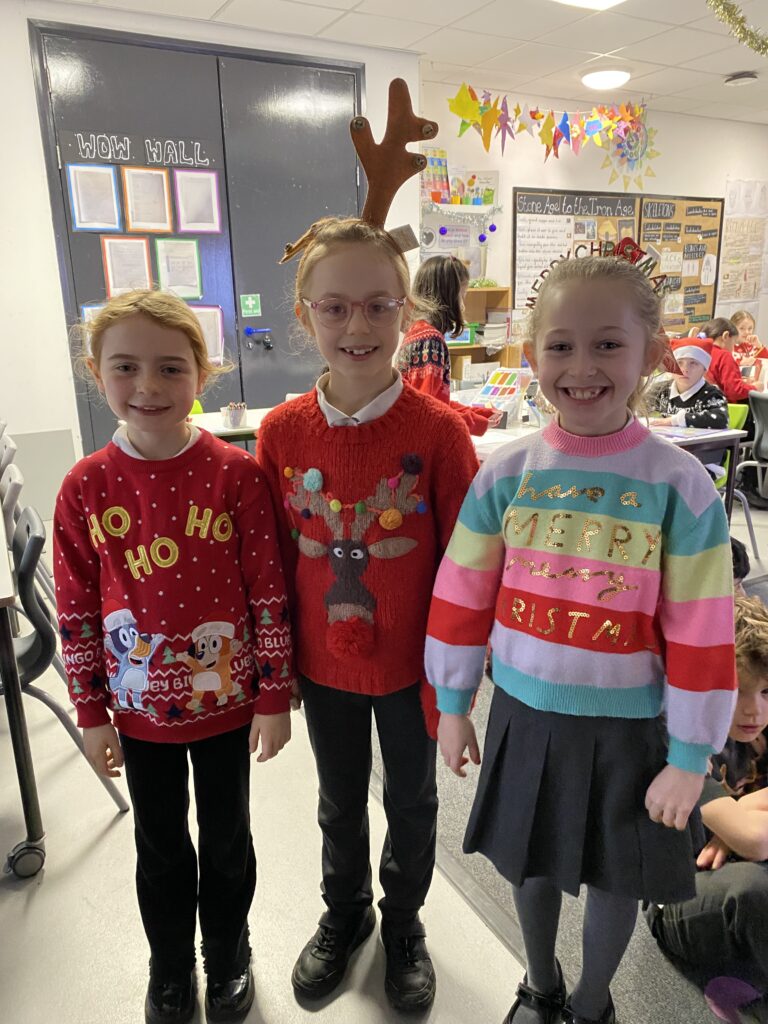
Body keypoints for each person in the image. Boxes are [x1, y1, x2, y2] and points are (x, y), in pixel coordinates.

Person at [424, 253, 737, 1024]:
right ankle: (540, 985)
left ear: (651, 354)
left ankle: (594, 1004)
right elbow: (461, 595)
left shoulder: (680, 485)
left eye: (608, 344)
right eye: (561, 346)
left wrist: (690, 757)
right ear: (532, 357)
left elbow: (703, 633)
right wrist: (453, 704)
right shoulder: (507, 473)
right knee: (527, 866)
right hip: (524, 715)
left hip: (632, 728)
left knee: (615, 878)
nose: (582, 366)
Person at [53, 289, 295, 1024]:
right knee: (159, 848)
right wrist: (91, 713)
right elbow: (76, 612)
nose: (148, 386)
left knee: (227, 842)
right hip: (136, 713)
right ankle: (169, 964)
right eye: (126, 367)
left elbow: (268, 592)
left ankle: (226, 951)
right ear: (97, 374)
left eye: (170, 367)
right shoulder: (85, 486)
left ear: (202, 373)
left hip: (228, 705)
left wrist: (274, 696)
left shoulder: (237, 475)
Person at [256, 217, 479, 1013]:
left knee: (413, 801)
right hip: (324, 665)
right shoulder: (281, 433)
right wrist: (275, 672)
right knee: (339, 799)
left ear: (406, 310)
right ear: (305, 315)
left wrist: (457, 683)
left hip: (416, 668)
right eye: (335, 307)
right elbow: (271, 562)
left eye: (380, 305)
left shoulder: (440, 433)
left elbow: (468, 566)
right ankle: (345, 912)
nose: (359, 325)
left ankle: (404, 923)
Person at [646, 595, 768, 994]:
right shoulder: (685, 742)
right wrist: (740, 829)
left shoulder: (760, 730)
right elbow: (755, 838)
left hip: (745, 860)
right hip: (683, 897)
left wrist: (735, 817)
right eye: (736, 692)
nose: (754, 711)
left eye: (766, 692)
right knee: (753, 890)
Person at [397, 253, 501, 436]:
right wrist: (475, 422)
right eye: (463, 295)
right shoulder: (431, 340)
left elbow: (436, 402)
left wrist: (478, 414)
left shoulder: (418, 332)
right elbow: (428, 413)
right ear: (451, 295)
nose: (463, 305)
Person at [649, 337, 728, 429]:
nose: (685, 369)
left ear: (704, 369)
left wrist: (674, 421)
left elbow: (721, 419)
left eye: (693, 363)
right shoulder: (660, 390)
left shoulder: (711, 394)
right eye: (679, 363)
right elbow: (638, 409)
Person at [703, 317, 764, 403]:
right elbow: (734, 391)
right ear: (726, 336)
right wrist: (755, 388)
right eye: (734, 342)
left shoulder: (702, 351)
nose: (733, 347)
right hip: (725, 406)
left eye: (750, 328)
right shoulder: (724, 355)